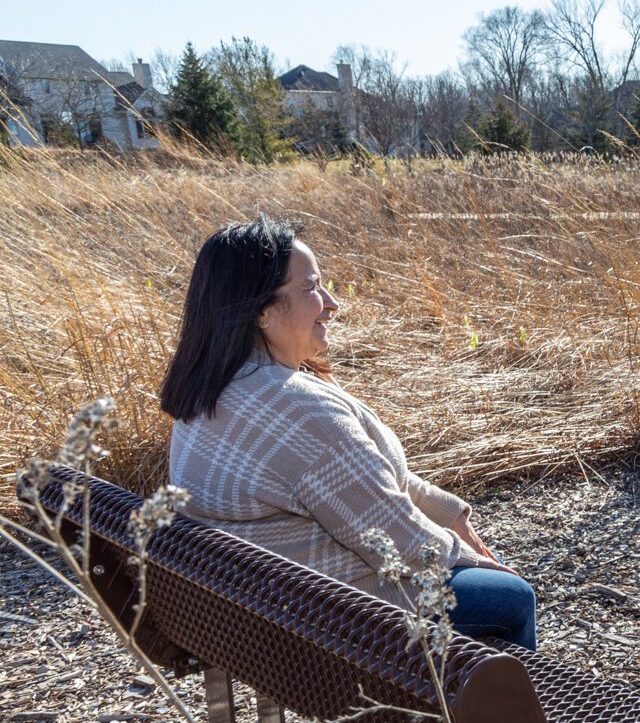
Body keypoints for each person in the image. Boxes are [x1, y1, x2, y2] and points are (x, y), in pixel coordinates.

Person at [158, 216, 537, 649]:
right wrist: (476, 559)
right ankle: (490, 717)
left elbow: (369, 483)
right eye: (312, 288)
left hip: (262, 605)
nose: (332, 302)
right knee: (511, 597)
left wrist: (450, 516)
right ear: (262, 311)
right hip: (333, 622)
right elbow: (401, 543)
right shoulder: (298, 412)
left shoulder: (213, 388)